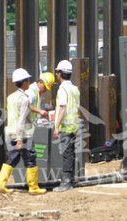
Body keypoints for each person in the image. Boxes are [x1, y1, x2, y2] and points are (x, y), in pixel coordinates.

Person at [0, 68, 46, 195]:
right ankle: (33, 187)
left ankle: (1, 184)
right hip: (23, 134)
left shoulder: (11, 97)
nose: (29, 82)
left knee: (13, 158)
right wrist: (19, 139)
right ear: (24, 82)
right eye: (28, 80)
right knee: (30, 158)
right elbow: (22, 119)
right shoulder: (24, 99)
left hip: (11, 132)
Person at [53, 60, 80, 192]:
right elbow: (77, 108)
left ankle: (66, 182)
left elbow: (62, 108)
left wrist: (56, 126)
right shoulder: (74, 89)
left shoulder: (63, 89)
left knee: (67, 154)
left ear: (59, 74)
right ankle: (71, 179)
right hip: (74, 126)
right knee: (71, 154)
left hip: (66, 127)